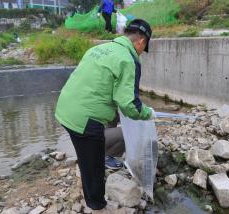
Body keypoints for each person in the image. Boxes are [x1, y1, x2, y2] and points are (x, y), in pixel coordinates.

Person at [55, 19, 155, 212]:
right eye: (144, 48)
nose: (142, 52)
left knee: (87, 157)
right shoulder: (128, 58)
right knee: (93, 169)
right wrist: (147, 113)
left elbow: (101, 86)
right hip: (84, 120)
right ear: (141, 42)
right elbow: (129, 105)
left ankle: (89, 170)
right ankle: (97, 205)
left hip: (65, 108)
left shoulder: (100, 48)